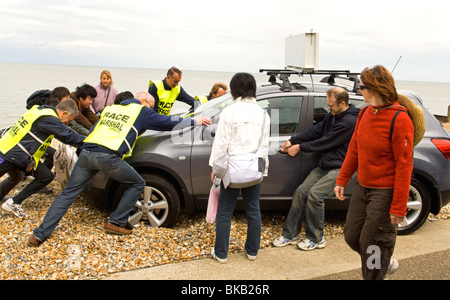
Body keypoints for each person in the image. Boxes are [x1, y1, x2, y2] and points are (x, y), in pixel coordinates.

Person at [29, 92, 211, 246]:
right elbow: (168, 122)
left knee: (67, 194)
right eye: (151, 106)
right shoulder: (141, 111)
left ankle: (39, 235)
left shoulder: (111, 109)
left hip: (87, 153)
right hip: (108, 157)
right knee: (137, 183)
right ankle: (116, 221)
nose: (151, 110)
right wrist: (196, 121)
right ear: (144, 102)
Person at [334, 65, 414, 280]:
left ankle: (376, 272)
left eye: (362, 87)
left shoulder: (400, 120)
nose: (360, 91)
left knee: (374, 245)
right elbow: (354, 149)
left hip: (385, 192)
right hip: (363, 187)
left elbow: (405, 164)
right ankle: (383, 265)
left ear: (375, 88)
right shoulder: (365, 113)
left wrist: (398, 206)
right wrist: (342, 179)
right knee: (352, 237)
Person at [272, 87, 360, 251]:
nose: (328, 108)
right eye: (327, 105)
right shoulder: (333, 115)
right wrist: (293, 140)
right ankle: (291, 234)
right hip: (325, 165)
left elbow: (326, 141)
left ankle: (316, 238)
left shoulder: (349, 122)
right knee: (301, 192)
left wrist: (301, 147)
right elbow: (316, 131)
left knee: (315, 195)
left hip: (341, 168)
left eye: (331, 105)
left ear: (342, 103)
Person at [208, 73, 270, 263]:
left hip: (231, 169)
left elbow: (221, 143)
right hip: (253, 168)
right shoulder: (262, 113)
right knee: (254, 210)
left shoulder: (229, 111)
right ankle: (252, 252)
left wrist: (215, 169)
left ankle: (221, 254)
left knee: (225, 210)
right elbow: (264, 145)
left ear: (234, 90)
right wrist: (263, 169)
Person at [0, 99, 86, 217]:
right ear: (64, 113)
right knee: (15, 177)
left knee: (46, 176)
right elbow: (70, 136)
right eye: (69, 120)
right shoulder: (49, 119)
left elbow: (64, 137)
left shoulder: (42, 110)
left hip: (22, 156)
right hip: (8, 152)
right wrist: (94, 142)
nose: (67, 123)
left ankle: (13, 202)